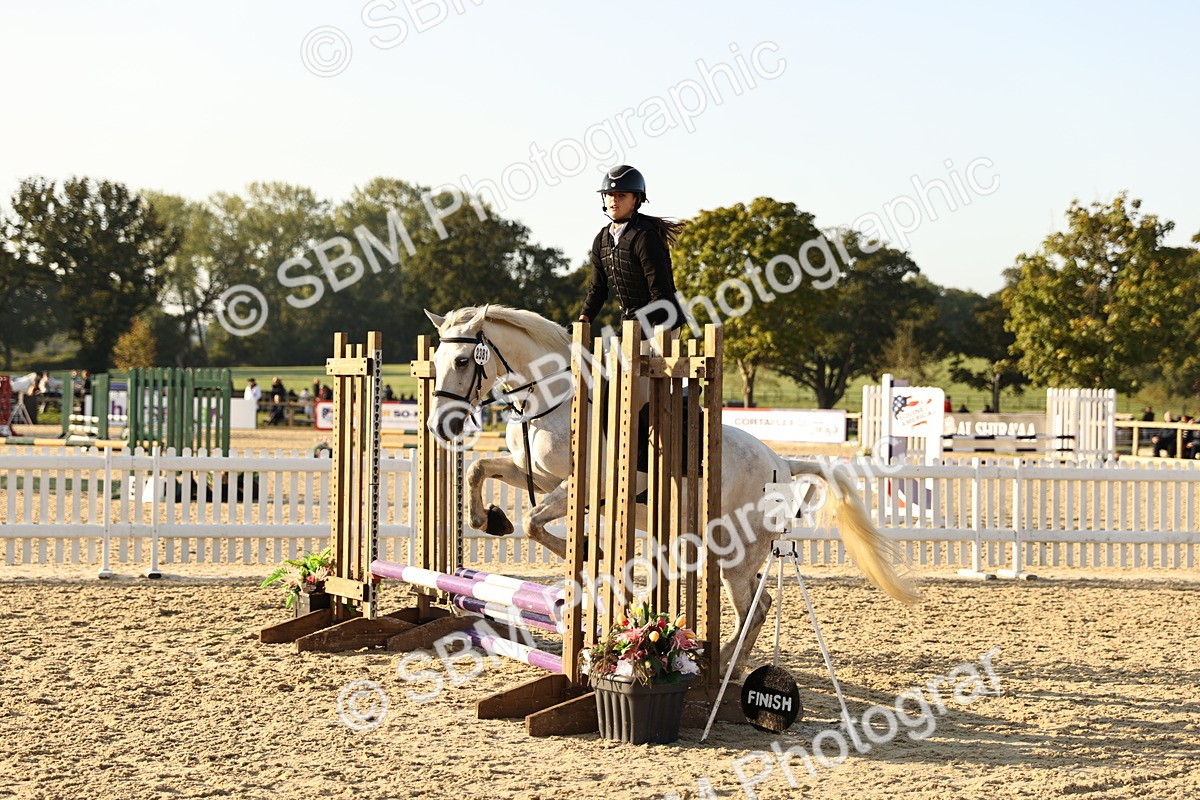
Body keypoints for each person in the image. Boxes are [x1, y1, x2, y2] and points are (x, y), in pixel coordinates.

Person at [578, 165, 686, 333]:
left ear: (636, 199)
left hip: (662, 323)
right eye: (610, 195)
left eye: (622, 195)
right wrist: (584, 319)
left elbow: (661, 295)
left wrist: (633, 326)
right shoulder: (601, 240)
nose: (614, 200)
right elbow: (597, 289)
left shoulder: (646, 237)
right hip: (631, 322)